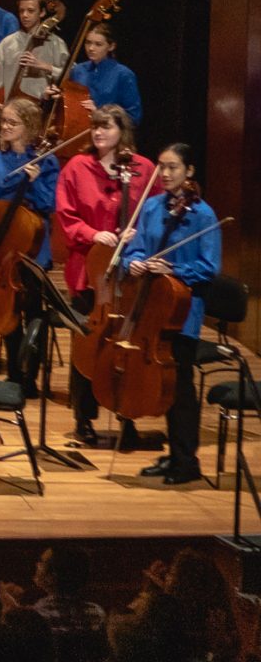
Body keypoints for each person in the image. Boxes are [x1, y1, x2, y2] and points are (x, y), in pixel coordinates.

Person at [118, 144, 221, 487]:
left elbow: (208, 267)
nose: (164, 174)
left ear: (189, 171)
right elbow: (134, 248)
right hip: (148, 309)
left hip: (182, 313)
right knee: (163, 386)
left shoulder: (202, 215)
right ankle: (174, 454)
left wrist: (174, 268)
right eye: (161, 167)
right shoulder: (151, 206)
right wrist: (132, 261)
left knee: (181, 389)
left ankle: (187, 460)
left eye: (173, 168)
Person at [57, 107, 159, 449]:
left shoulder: (144, 169)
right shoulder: (77, 167)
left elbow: (155, 212)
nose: (98, 133)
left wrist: (138, 235)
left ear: (122, 131)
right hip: (89, 272)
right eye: (95, 127)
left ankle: (127, 417)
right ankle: (83, 419)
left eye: (106, 127)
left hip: (130, 274)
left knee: (128, 345)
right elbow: (66, 214)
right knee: (89, 344)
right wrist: (92, 233)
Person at [0, 97, 61, 395]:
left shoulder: (47, 161)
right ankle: (14, 372)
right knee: (8, 311)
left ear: (30, 127)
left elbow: (49, 205)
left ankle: (30, 375)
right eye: (4, 122)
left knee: (34, 311)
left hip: (34, 246)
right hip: (2, 245)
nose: (5, 127)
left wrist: (34, 182)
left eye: (13, 122)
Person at [0, 0, 66, 104]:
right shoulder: (9, 43)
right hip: (11, 111)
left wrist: (45, 66)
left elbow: (69, 78)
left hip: (43, 111)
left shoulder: (55, 43)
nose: (24, 15)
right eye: (21, 11)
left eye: (30, 11)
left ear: (42, 12)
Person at [64, 23, 144, 127]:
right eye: (88, 43)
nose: (91, 48)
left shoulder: (123, 74)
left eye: (98, 44)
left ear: (111, 46)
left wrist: (99, 113)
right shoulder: (78, 70)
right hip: (77, 130)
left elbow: (133, 117)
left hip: (108, 134)